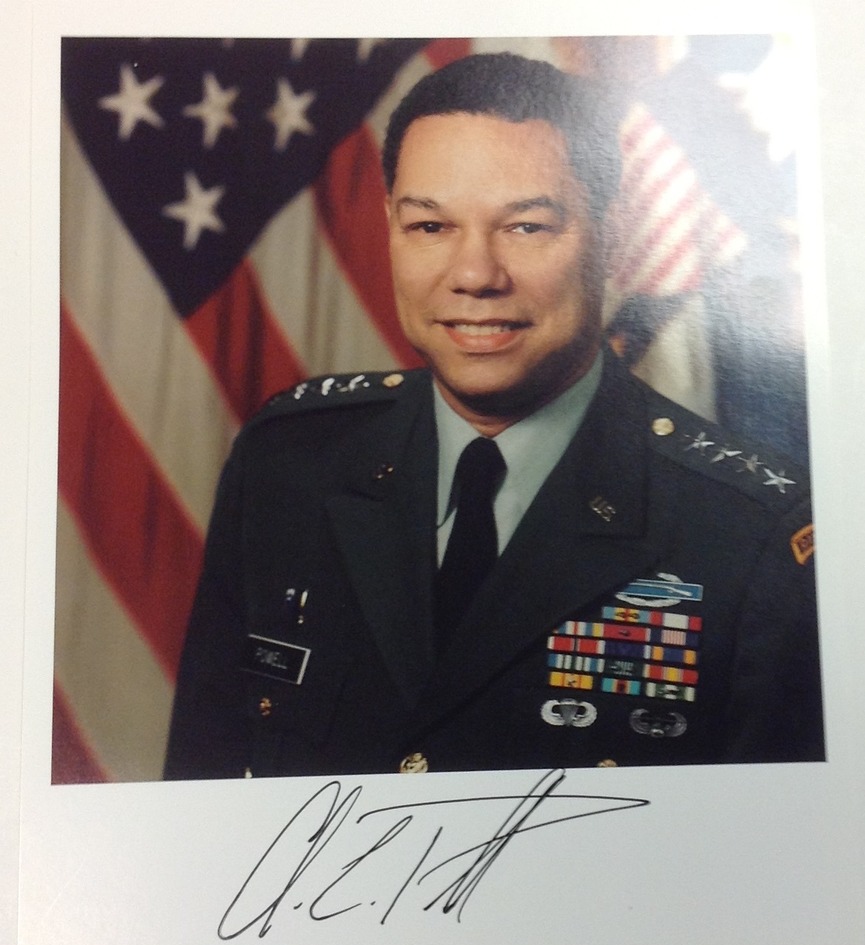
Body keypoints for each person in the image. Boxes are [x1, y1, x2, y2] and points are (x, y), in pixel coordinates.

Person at [164, 52, 822, 780]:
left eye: (526, 227)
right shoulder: (287, 464)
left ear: (610, 234)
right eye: (430, 226)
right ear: (390, 229)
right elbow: (203, 799)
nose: (475, 276)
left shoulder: (750, 533)